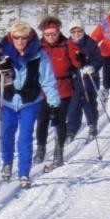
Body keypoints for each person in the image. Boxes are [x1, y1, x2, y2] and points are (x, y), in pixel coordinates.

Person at [0, 20, 59, 189]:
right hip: (8, 101)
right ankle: (7, 162)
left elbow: (47, 80)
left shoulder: (39, 55)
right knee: (7, 134)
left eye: (24, 37)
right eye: (16, 37)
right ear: (11, 37)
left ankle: (24, 171)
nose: (20, 41)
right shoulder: (2, 53)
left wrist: (54, 104)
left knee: (25, 137)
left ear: (30, 37)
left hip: (30, 101)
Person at [34, 16, 81, 168]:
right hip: (43, 90)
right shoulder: (38, 46)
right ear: (43, 34)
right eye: (47, 34)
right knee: (42, 120)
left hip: (63, 88)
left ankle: (59, 151)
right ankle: (41, 148)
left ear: (58, 31)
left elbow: (76, 62)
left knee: (59, 122)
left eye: (54, 33)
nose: (51, 37)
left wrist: (79, 58)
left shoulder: (67, 44)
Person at [66, 20, 103, 141]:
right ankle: (71, 129)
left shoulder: (90, 43)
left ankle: (92, 124)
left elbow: (98, 59)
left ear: (83, 31)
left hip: (90, 77)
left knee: (88, 99)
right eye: (74, 32)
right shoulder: (67, 44)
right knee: (74, 103)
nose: (76, 34)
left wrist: (92, 66)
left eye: (79, 31)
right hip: (76, 78)